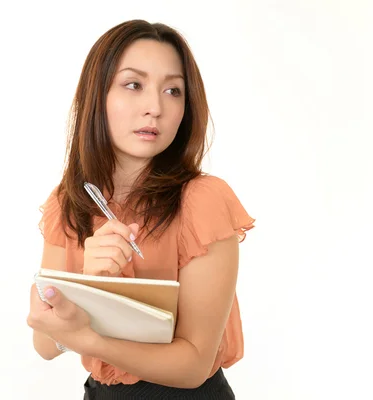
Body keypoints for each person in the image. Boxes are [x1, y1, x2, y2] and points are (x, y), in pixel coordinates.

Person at [26, 19, 255, 399]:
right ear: (97, 95)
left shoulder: (203, 201)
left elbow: (193, 365)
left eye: (173, 90)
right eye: (134, 85)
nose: (155, 107)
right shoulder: (69, 202)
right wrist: (88, 282)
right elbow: (45, 344)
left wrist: (91, 340)